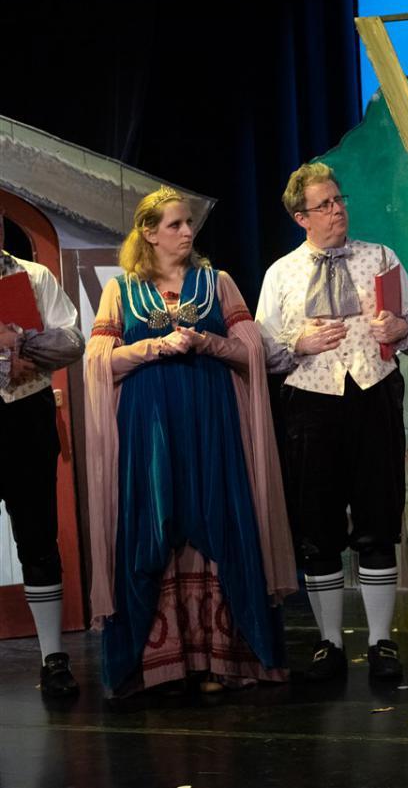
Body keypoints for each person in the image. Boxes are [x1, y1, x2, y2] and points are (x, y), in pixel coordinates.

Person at [84, 187, 296, 696]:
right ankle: (159, 666)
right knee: (151, 525)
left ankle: (227, 658)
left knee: (221, 516)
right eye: (175, 224)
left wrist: (205, 342)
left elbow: (251, 353)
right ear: (149, 233)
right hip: (149, 425)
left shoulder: (217, 283)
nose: (187, 232)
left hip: (211, 420)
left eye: (188, 224)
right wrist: (154, 347)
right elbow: (99, 360)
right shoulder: (122, 290)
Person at [256, 162, 408, 682]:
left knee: (378, 519)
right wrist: (298, 343)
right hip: (311, 403)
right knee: (318, 526)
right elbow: (262, 349)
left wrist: (401, 327)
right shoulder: (281, 273)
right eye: (325, 205)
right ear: (301, 217)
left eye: (339, 200)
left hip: (373, 394)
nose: (337, 210)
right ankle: (329, 642)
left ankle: (380, 641)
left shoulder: (380, 257)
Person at [0, 204, 86, 697]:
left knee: (37, 538)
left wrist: (22, 342)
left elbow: (72, 341)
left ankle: (53, 657)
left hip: (26, 418)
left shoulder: (32, 276)